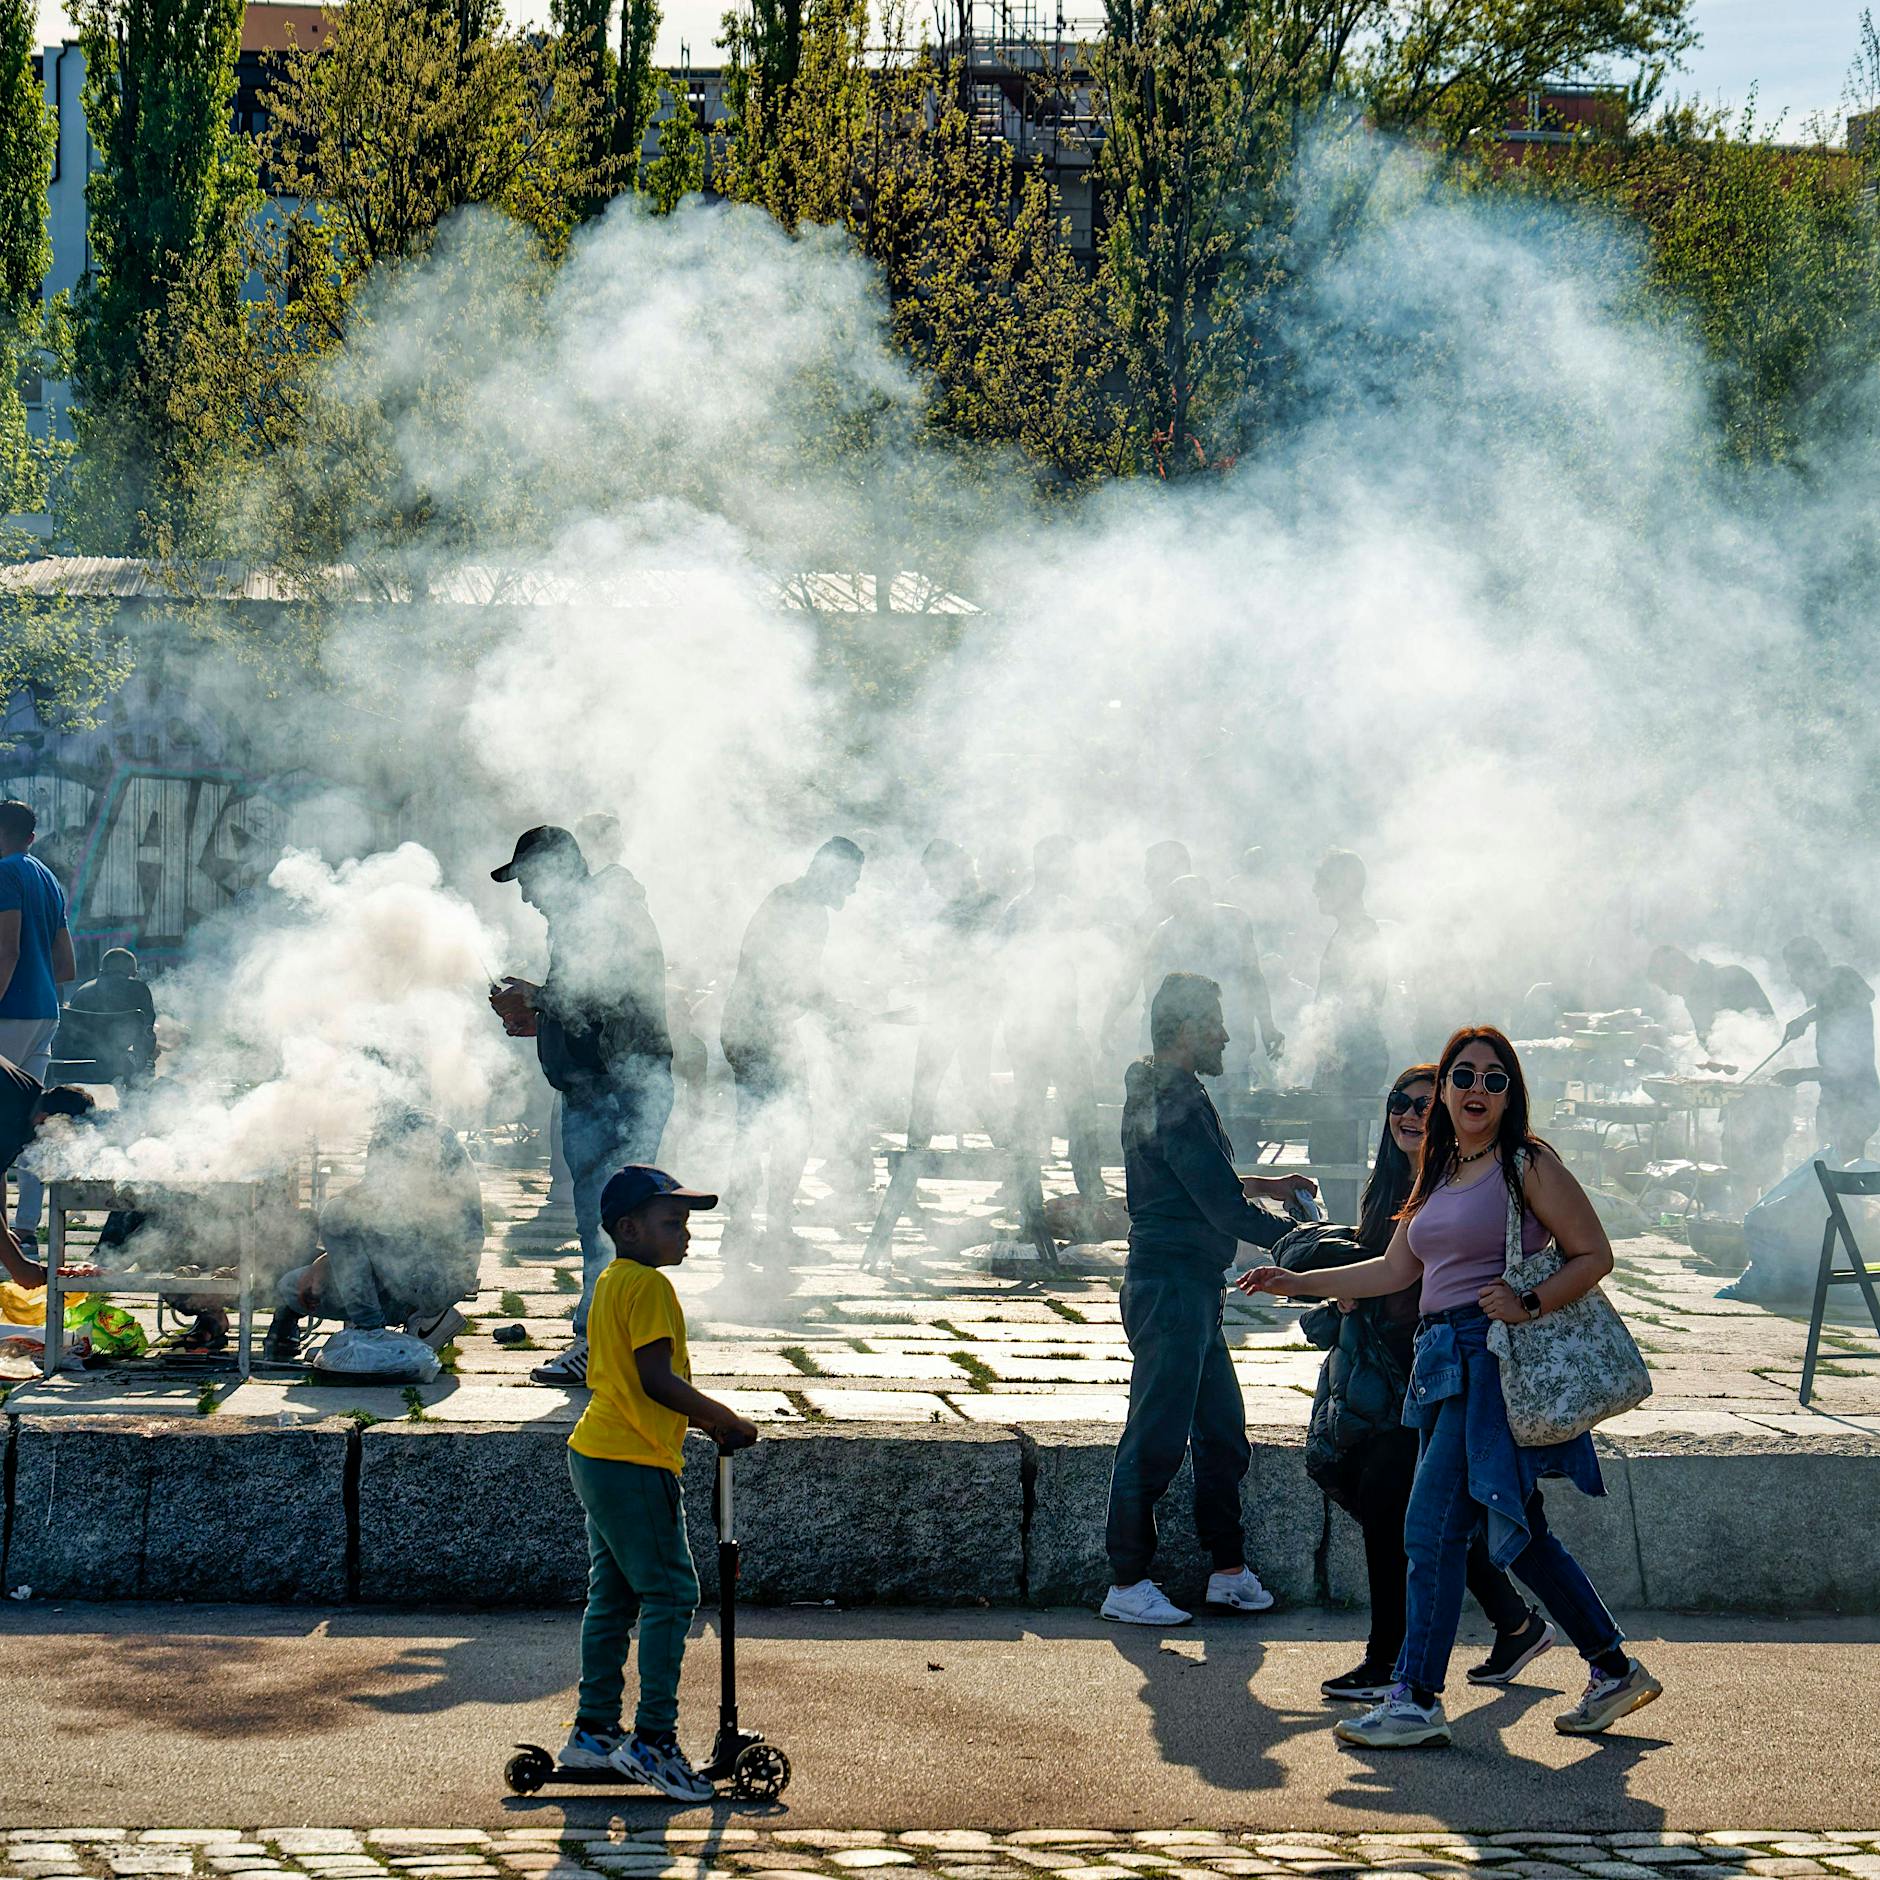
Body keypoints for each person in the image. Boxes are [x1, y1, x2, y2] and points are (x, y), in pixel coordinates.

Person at [1239, 1027, 1661, 1748]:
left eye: (1494, 1080)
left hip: (1487, 1357)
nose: (1476, 1089)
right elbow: (1394, 1272)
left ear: (1510, 1095)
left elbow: (1595, 1254)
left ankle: (1414, 1698)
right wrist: (1297, 1281)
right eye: (1464, 1075)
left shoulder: (1524, 1163)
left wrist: (1528, 1303)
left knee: (1429, 1529)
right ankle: (1614, 1668)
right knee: (1517, 1531)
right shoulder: (1439, 1171)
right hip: (1438, 1364)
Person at [1280, 1064, 1550, 1703]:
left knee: (1396, 1508)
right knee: (1422, 1514)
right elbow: (1384, 1270)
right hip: (1390, 1374)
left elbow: (1410, 1281)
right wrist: (1331, 1290)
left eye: (1426, 1107)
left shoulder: (1456, 1181)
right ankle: (1515, 1624)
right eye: (1399, 1102)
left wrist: (1339, 1285)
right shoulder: (1391, 1183)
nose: (1409, 1115)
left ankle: (1391, 1665)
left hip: (1435, 1371)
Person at [1100, 972, 1313, 1627]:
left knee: (1221, 1434)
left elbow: (1194, 1179)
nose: (1226, 1035)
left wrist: (1266, 1184)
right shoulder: (1175, 1096)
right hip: (1171, 1289)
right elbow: (1219, 1205)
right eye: (1216, 1023)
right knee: (1157, 1437)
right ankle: (1127, 1582)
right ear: (1188, 1030)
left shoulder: (1165, 1091)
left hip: (1189, 1289)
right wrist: (1300, 1243)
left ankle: (1227, 1571)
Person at [561, 1165, 758, 1801]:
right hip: (634, 1462)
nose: (686, 1235)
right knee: (673, 1592)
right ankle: (652, 1740)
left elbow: (626, 1382)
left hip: (598, 1451)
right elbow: (654, 1379)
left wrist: (697, 1424)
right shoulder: (648, 1288)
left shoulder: (612, 1281)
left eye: (687, 1224)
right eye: (672, 1223)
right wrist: (722, 1418)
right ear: (628, 1228)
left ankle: (593, 1733)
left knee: (614, 1597)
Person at [490, 824, 674, 1386]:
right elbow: (589, 1012)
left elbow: (612, 992)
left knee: (609, 1226)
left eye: (528, 880)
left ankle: (600, 1346)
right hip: (599, 1090)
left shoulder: (606, 909)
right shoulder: (578, 918)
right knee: (602, 1223)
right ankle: (603, 1341)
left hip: (619, 1090)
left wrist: (538, 997)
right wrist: (540, 1019)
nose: (526, 896)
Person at [718, 838, 865, 1270]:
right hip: (759, 1032)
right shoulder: (802, 908)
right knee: (788, 1128)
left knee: (760, 1128)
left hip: (756, 1028)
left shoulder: (792, 900)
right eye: (850, 880)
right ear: (830, 871)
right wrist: (836, 1009)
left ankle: (743, 1229)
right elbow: (787, 977)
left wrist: (833, 1004)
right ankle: (770, 1231)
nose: (851, 891)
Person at [270, 1106, 485, 1374]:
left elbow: (382, 1205)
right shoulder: (394, 1125)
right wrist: (325, 1262)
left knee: (336, 1214)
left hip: (435, 1273)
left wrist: (334, 1248)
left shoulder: (414, 1129)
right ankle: (418, 1319)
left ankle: (371, 1334)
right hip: (404, 1269)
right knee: (294, 1286)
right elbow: (378, 1208)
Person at [999, 836, 1109, 1244]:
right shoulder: (1022, 910)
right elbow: (1002, 966)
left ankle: (1089, 1205)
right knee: (1034, 1118)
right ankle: (1031, 1211)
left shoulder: (1065, 908)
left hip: (1063, 1028)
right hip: (1033, 1029)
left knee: (1082, 1117)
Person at [0, 800, 78, 1248]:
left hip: (8, 1009)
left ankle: (4, 1237)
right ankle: (25, 1229)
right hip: (46, 1008)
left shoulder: (5, 875)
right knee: (34, 1120)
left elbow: (7, 950)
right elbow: (66, 964)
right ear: (31, 837)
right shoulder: (49, 880)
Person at [903, 840, 1005, 1156]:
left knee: (969, 1088)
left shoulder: (989, 906)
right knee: (927, 1091)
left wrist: (926, 962)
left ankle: (1017, 1159)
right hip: (945, 1012)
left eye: (936, 876)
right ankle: (910, 1174)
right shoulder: (951, 911)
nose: (933, 885)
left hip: (970, 1013)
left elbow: (982, 964)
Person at [1306, 849, 1390, 1222]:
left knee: (1336, 1154)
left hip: (1354, 1059)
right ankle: (1346, 1226)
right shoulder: (1345, 932)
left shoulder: (1362, 933)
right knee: (1328, 1151)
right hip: (1342, 1057)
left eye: (1323, 882)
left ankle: (1349, 1231)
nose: (1315, 890)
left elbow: (1363, 1001)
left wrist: (1335, 1055)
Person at [1774, 937, 1879, 1163]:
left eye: (1793, 972)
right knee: (1832, 1171)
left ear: (1810, 968)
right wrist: (1806, 1018)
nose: (1792, 980)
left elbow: (1844, 1070)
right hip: (1838, 1102)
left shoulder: (1843, 977)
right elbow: (1836, 1004)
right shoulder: (1832, 995)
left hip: (1855, 1104)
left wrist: (1800, 1075)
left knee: (1841, 1173)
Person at [0, 1056, 96, 1291]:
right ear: (46, 1120)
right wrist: (19, 1267)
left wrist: (4, 1232)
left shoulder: (31, 1096)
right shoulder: (9, 1119)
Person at [57, 948, 157, 1088]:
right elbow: (147, 1033)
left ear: (102, 970)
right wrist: (146, 1055)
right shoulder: (139, 989)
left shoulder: (82, 990)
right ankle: (135, 1103)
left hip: (73, 1065)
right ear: (133, 973)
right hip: (116, 1065)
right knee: (145, 1061)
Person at [1646, 946, 1773, 1056]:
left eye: (1666, 986)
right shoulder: (1692, 999)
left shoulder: (1731, 975)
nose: (1670, 993)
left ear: (1678, 971)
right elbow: (1709, 1045)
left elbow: (1764, 1028)